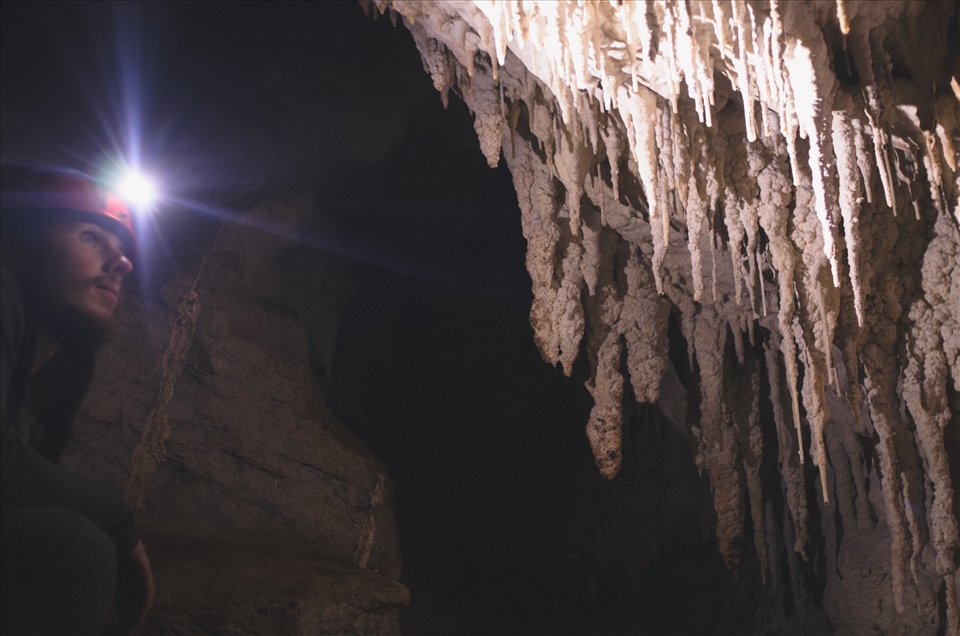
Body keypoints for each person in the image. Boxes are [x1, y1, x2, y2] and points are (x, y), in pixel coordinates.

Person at [1, 165, 154, 635]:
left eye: (124, 250)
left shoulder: (23, 388)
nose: (122, 263)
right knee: (73, 547)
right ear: (29, 244)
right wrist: (118, 523)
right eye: (93, 237)